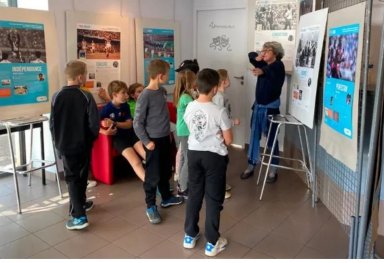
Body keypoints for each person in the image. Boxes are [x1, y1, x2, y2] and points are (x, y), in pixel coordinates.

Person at [183, 68, 232, 257]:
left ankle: (190, 235)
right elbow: (228, 140)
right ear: (214, 89)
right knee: (213, 198)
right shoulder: (219, 111)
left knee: (194, 194)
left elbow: (192, 130)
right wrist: (218, 133)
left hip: (194, 154)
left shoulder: (189, 107)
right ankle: (212, 242)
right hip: (214, 158)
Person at [49, 60, 99, 230]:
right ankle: (79, 217)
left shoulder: (56, 96)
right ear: (79, 77)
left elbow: (52, 124)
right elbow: (94, 123)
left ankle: (80, 204)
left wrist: (57, 144)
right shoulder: (86, 96)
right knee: (78, 177)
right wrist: (91, 139)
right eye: (85, 74)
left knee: (73, 178)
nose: (85, 77)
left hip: (64, 145)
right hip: (83, 145)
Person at [133, 59, 184, 224]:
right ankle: (150, 206)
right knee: (152, 176)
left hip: (164, 138)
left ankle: (166, 198)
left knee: (165, 171)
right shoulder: (145, 96)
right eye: (167, 74)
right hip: (152, 142)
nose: (168, 76)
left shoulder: (161, 91)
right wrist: (146, 142)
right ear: (160, 75)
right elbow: (137, 123)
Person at [240, 41, 285, 183]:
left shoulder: (278, 66)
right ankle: (251, 164)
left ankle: (273, 169)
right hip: (258, 107)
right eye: (263, 50)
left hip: (271, 109)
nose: (264, 52)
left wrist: (262, 71)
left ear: (276, 53)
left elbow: (270, 71)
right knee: (254, 136)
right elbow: (250, 55)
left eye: (268, 50)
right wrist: (258, 57)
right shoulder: (264, 63)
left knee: (272, 138)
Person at [99, 80, 146, 182]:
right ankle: (150, 184)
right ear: (114, 95)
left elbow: (129, 124)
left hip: (131, 134)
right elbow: (93, 125)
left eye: (126, 93)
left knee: (148, 155)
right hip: (119, 139)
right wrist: (104, 131)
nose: (127, 96)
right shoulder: (105, 110)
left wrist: (115, 123)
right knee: (136, 162)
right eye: (123, 93)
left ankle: (158, 181)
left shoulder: (125, 106)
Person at [212, 69, 240, 199]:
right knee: (219, 162)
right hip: (220, 135)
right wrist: (232, 122)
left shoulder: (222, 96)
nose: (229, 80)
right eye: (228, 78)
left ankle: (220, 184)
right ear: (223, 81)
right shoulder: (218, 97)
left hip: (224, 132)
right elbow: (218, 118)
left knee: (223, 160)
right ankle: (218, 189)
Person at [173, 69, 197, 200]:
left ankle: (182, 184)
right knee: (188, 159)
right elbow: (196, 108)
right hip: (186, 131)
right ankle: (183, 188)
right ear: (189, 82)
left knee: (186, 157)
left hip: (183, 130)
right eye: (195, 80)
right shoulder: (186, 97)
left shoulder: (184, 95)